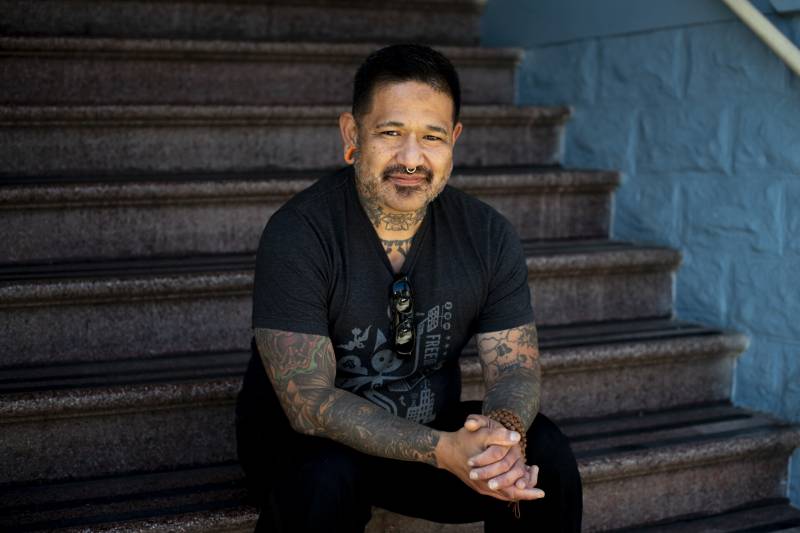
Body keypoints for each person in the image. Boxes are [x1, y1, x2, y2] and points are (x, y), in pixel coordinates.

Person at [235, 44, 582, 532]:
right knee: (323, 476)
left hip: (426, 438)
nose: (412, 158)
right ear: (352, 134)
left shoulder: (487, 234)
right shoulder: (300, 231)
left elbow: (515, 369)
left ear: (454, 140)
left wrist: (504, 436)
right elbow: (308, 403)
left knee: (543, 449)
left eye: (432, 137)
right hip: (311, 446)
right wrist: (443, 451)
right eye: (391, 132)